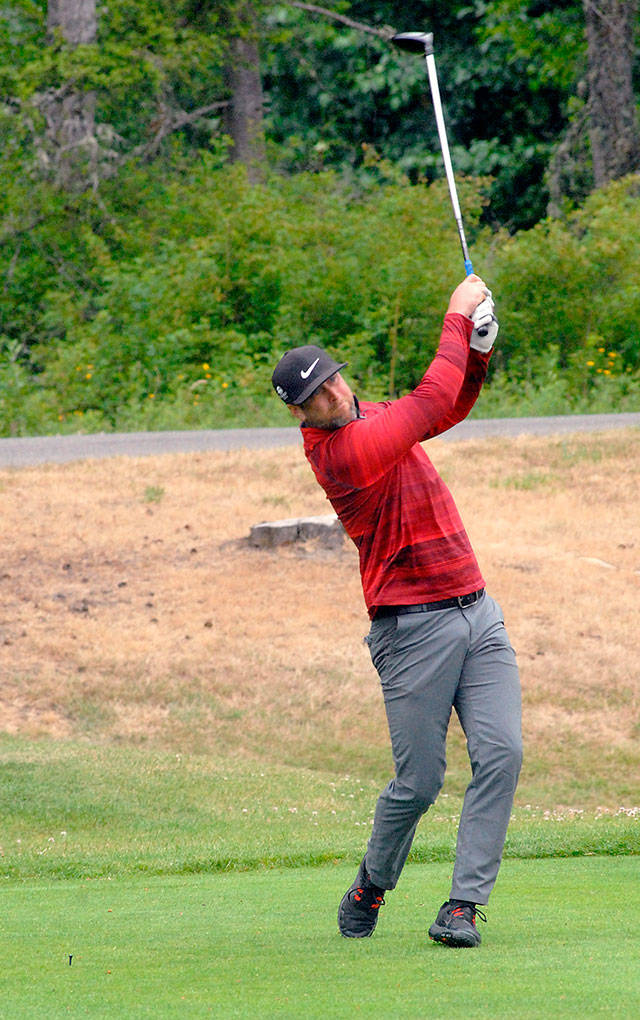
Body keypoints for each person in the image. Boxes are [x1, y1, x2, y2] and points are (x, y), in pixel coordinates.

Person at [271, 275, 522, 948]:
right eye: (315, 398)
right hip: (412, 629)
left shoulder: (368, 416)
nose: (332, 396)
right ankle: (370, 885)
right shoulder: (342, 454)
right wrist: (456, 314)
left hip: (478, 609)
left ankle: (463, 906)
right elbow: (429, 398)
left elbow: (445, 408)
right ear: (301, 416)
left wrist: (479, 353)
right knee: (420, 782)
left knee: (503, 753)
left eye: (332, 381)